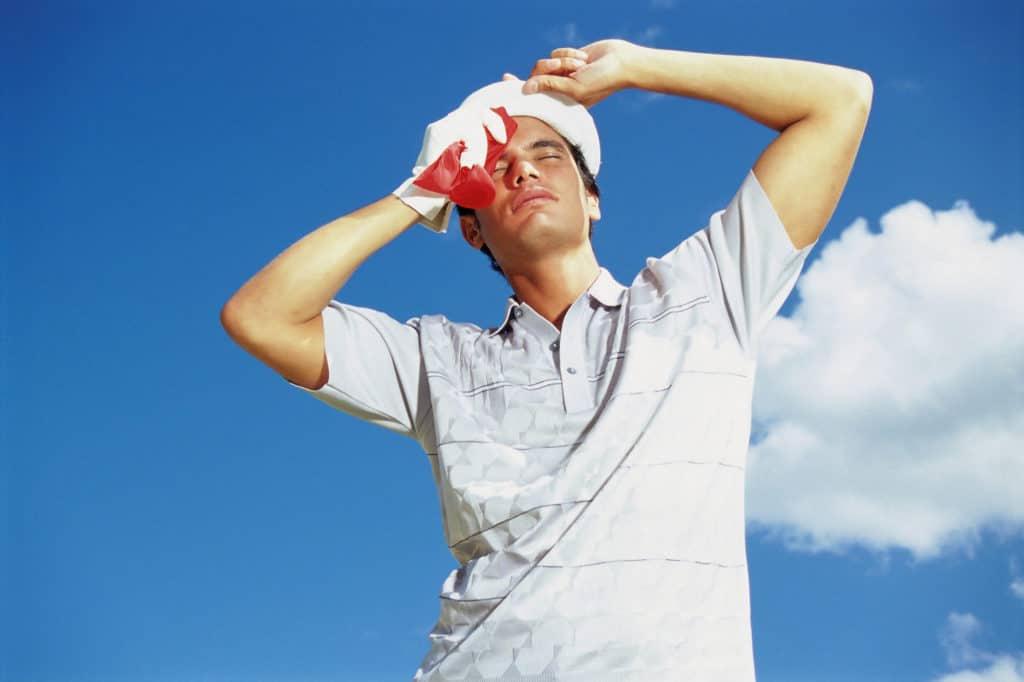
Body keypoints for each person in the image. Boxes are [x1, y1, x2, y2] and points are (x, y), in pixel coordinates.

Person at [221, 39, 872, 681]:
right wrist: (421, 193)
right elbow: (260, 316)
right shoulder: (437, 360)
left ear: (593, 199)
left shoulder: (707, 294)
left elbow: (840, 100)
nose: (524, 172)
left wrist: (636, 66)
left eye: (547, 155)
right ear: (471, 229)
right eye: (496, 169)